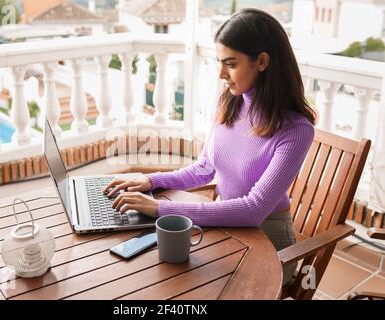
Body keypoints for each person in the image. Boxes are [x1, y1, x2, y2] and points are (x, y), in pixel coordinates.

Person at [103, 8, 316, 285]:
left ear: (262, 61)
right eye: (219, 62)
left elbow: (253, 209)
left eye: (230, 63)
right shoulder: (228, 102)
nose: (220, 74)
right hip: (227, 224)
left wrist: (159, 208)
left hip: (268, 240)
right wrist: (150, 180)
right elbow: (204, 168)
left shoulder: (296, 130)